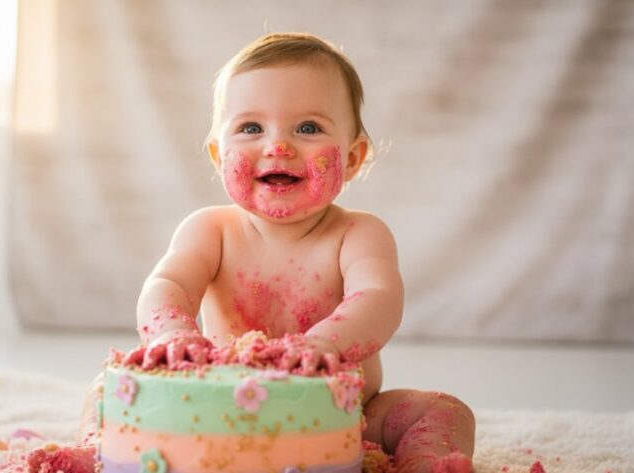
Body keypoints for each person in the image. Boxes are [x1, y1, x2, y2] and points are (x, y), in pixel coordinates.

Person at [84, 32, 475, 473]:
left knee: (444, 410)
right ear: (218, 155)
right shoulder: (210, 230)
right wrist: (172, 336)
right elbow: (167, 285)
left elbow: (379, 299)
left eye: (308, 128)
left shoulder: (358, 233)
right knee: (105, 391)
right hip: (214, 412)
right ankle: (92, 454)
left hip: (341, 415)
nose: (278, 146)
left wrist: (326, 344)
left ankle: (424, 464)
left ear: (353, 158)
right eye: (251, 128)